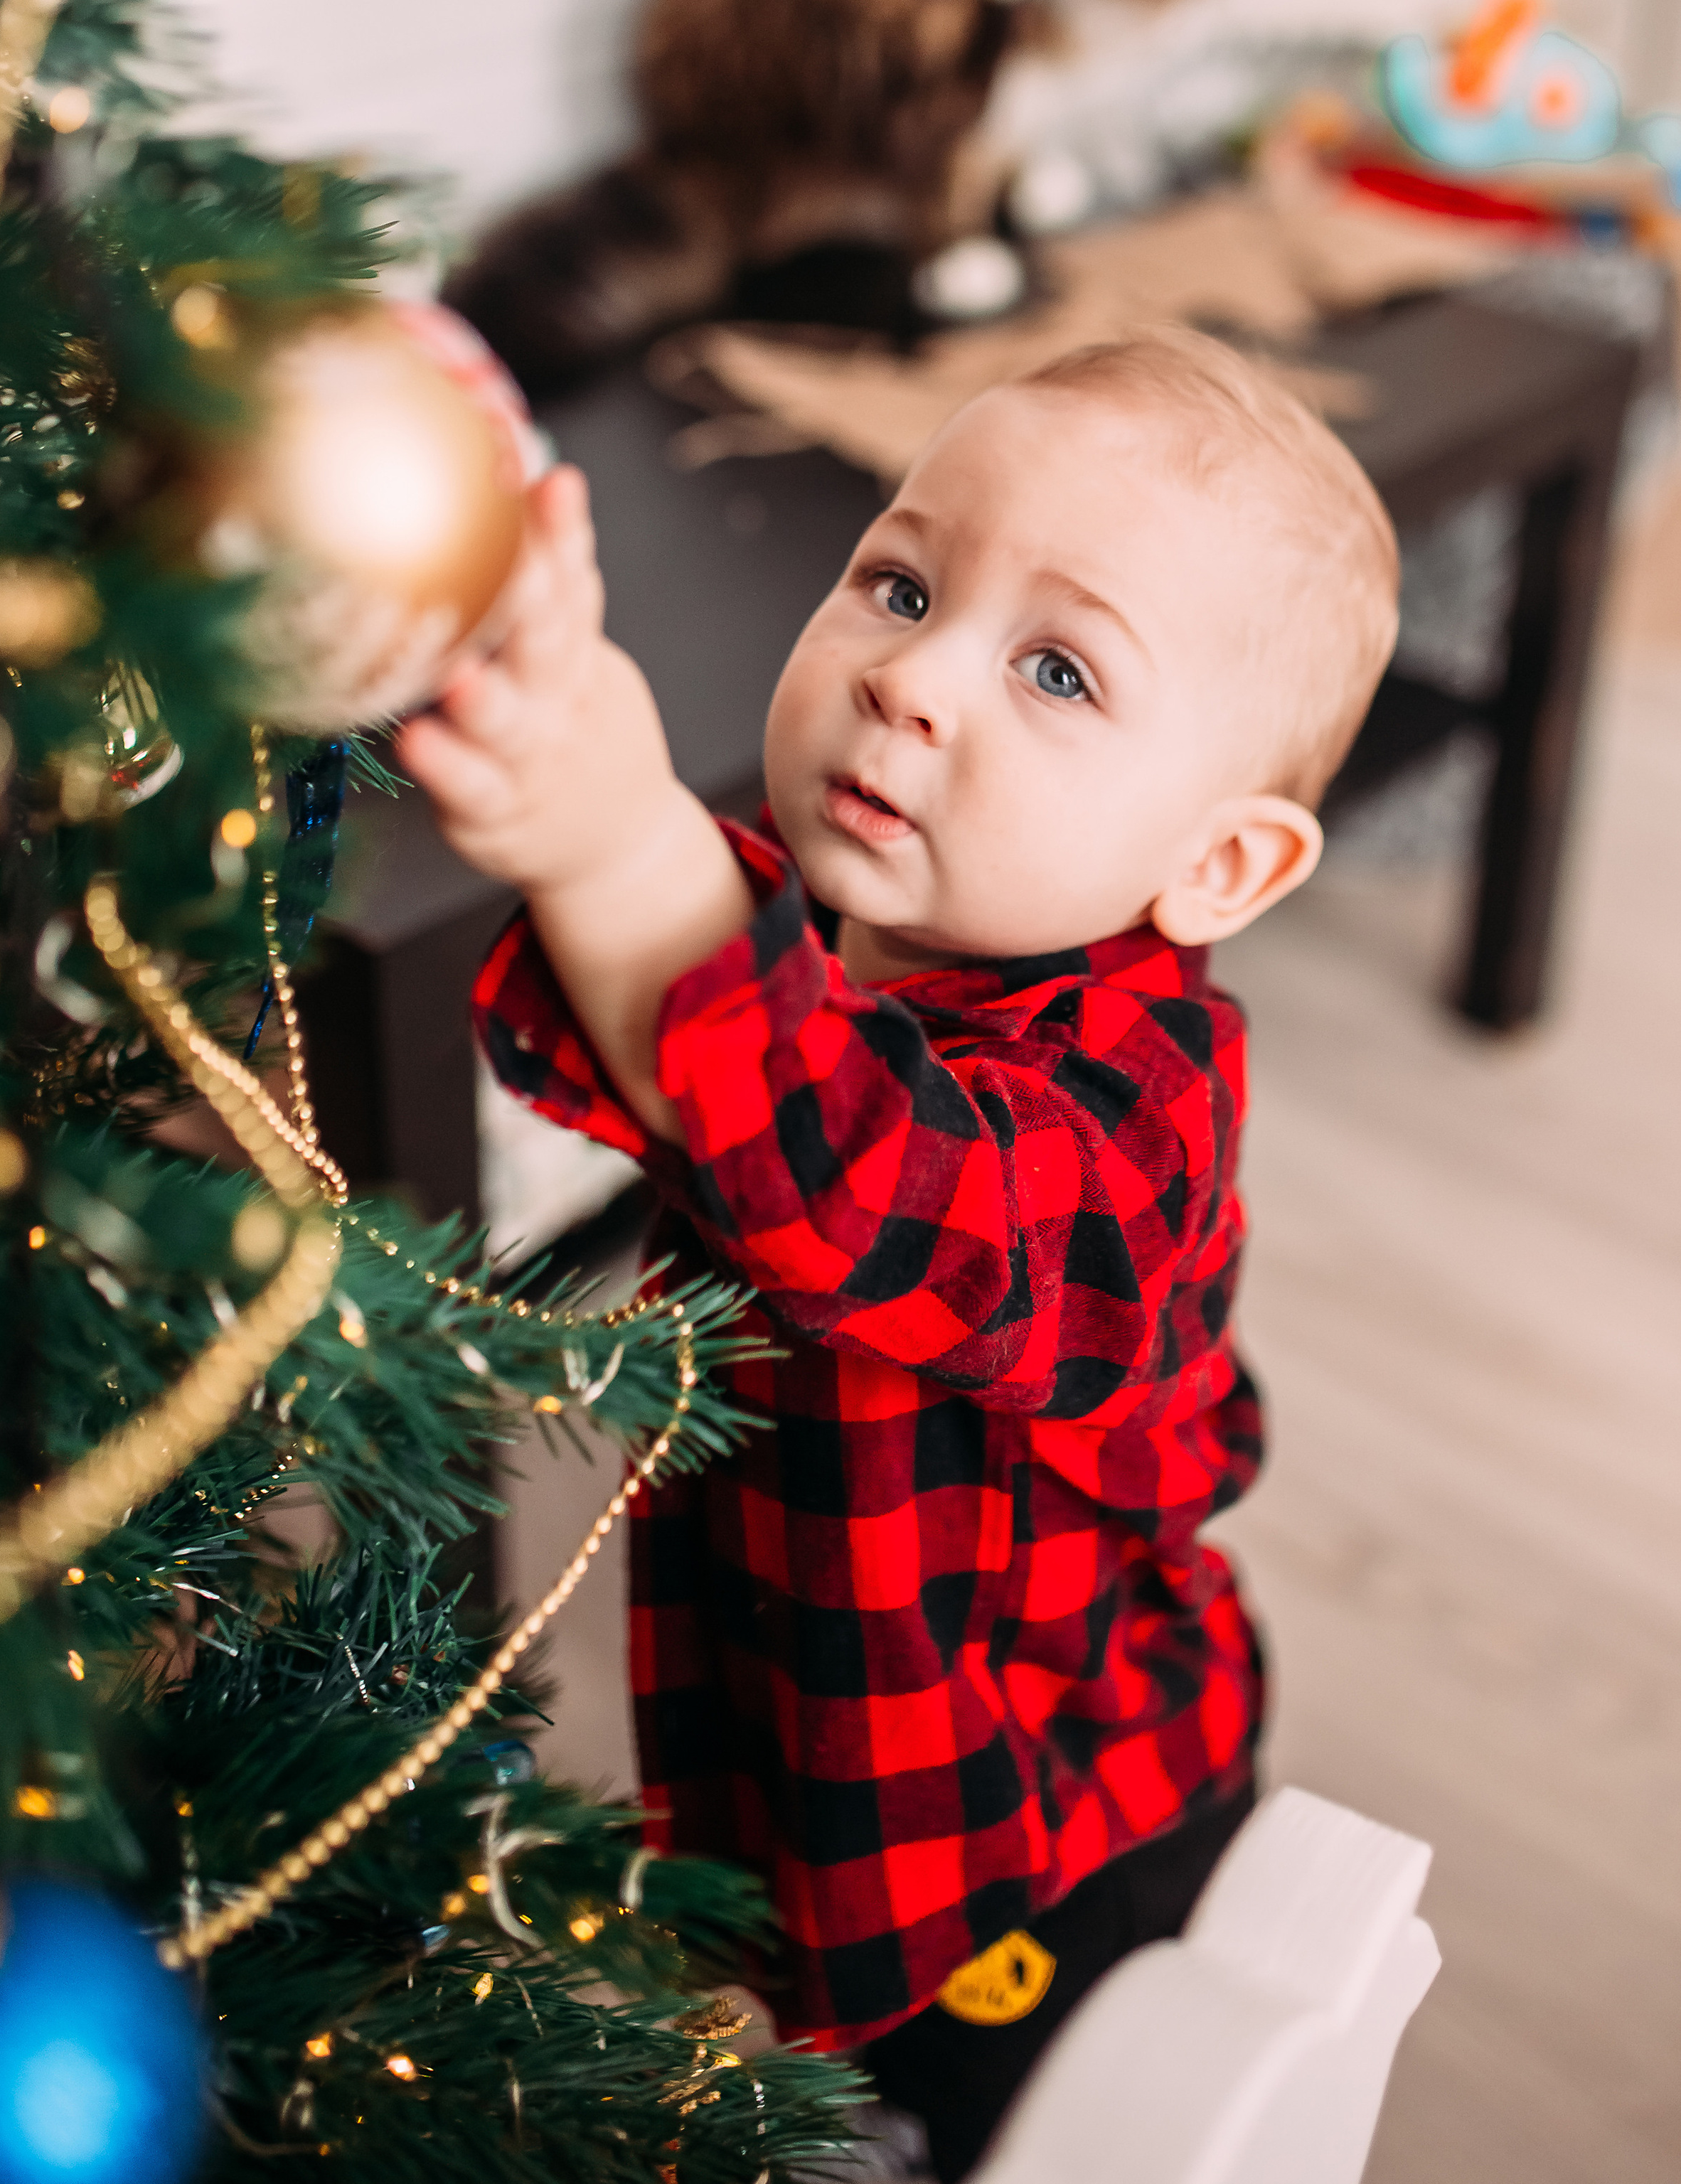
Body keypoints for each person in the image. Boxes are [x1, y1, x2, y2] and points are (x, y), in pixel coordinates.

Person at [398, 327, 1399, 2182]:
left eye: (1057, 668)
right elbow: (615, 1045)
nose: (915, 676)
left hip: (1040, 1831)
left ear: (1224, 868)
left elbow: (863, 1165)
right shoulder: (837, 932)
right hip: (801, 1733)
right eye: (902, 579)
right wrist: (568, 796)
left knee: (989, 2130)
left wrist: (617, 841)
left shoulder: (1139, 1115)